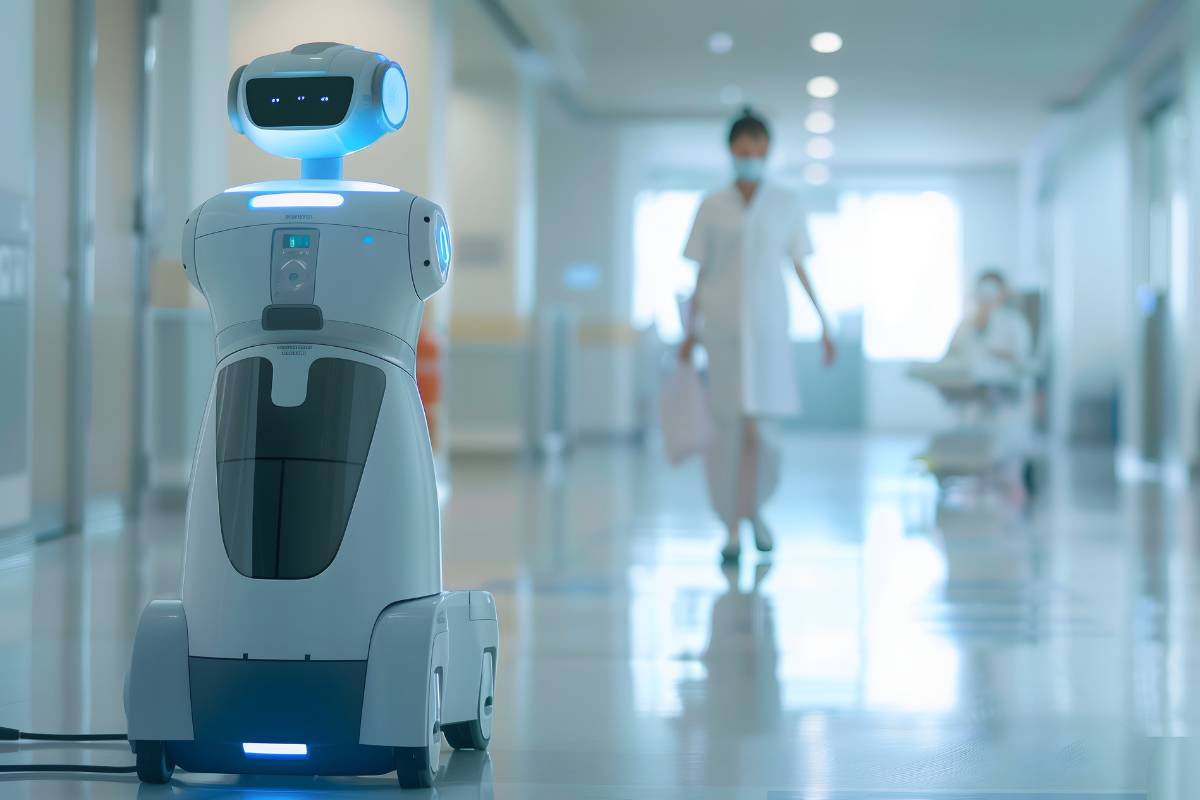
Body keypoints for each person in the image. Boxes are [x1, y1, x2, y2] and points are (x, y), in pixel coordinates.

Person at [680, 108, 835, 563]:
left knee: (766, 436)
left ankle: (758, 513)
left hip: (769, 335)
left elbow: (800, 266)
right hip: (723, 334)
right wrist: (689, 332)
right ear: (731, 150)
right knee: (725, 434)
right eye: (742, 147)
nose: (750, 154)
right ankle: (730, 527)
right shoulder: (712, 206)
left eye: (757, 146)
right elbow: (700, 274)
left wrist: (824, 322)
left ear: (767, 149)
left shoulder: (787, 204)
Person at [946, 270, 1032, 367]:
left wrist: (997, 354)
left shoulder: (1015, 322)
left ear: (1004, 293)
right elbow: (950, 354)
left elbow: (1022, 359)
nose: (987, 295)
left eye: (992, 290)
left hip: (1000, 379)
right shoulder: (966, 323)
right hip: (965, 378)